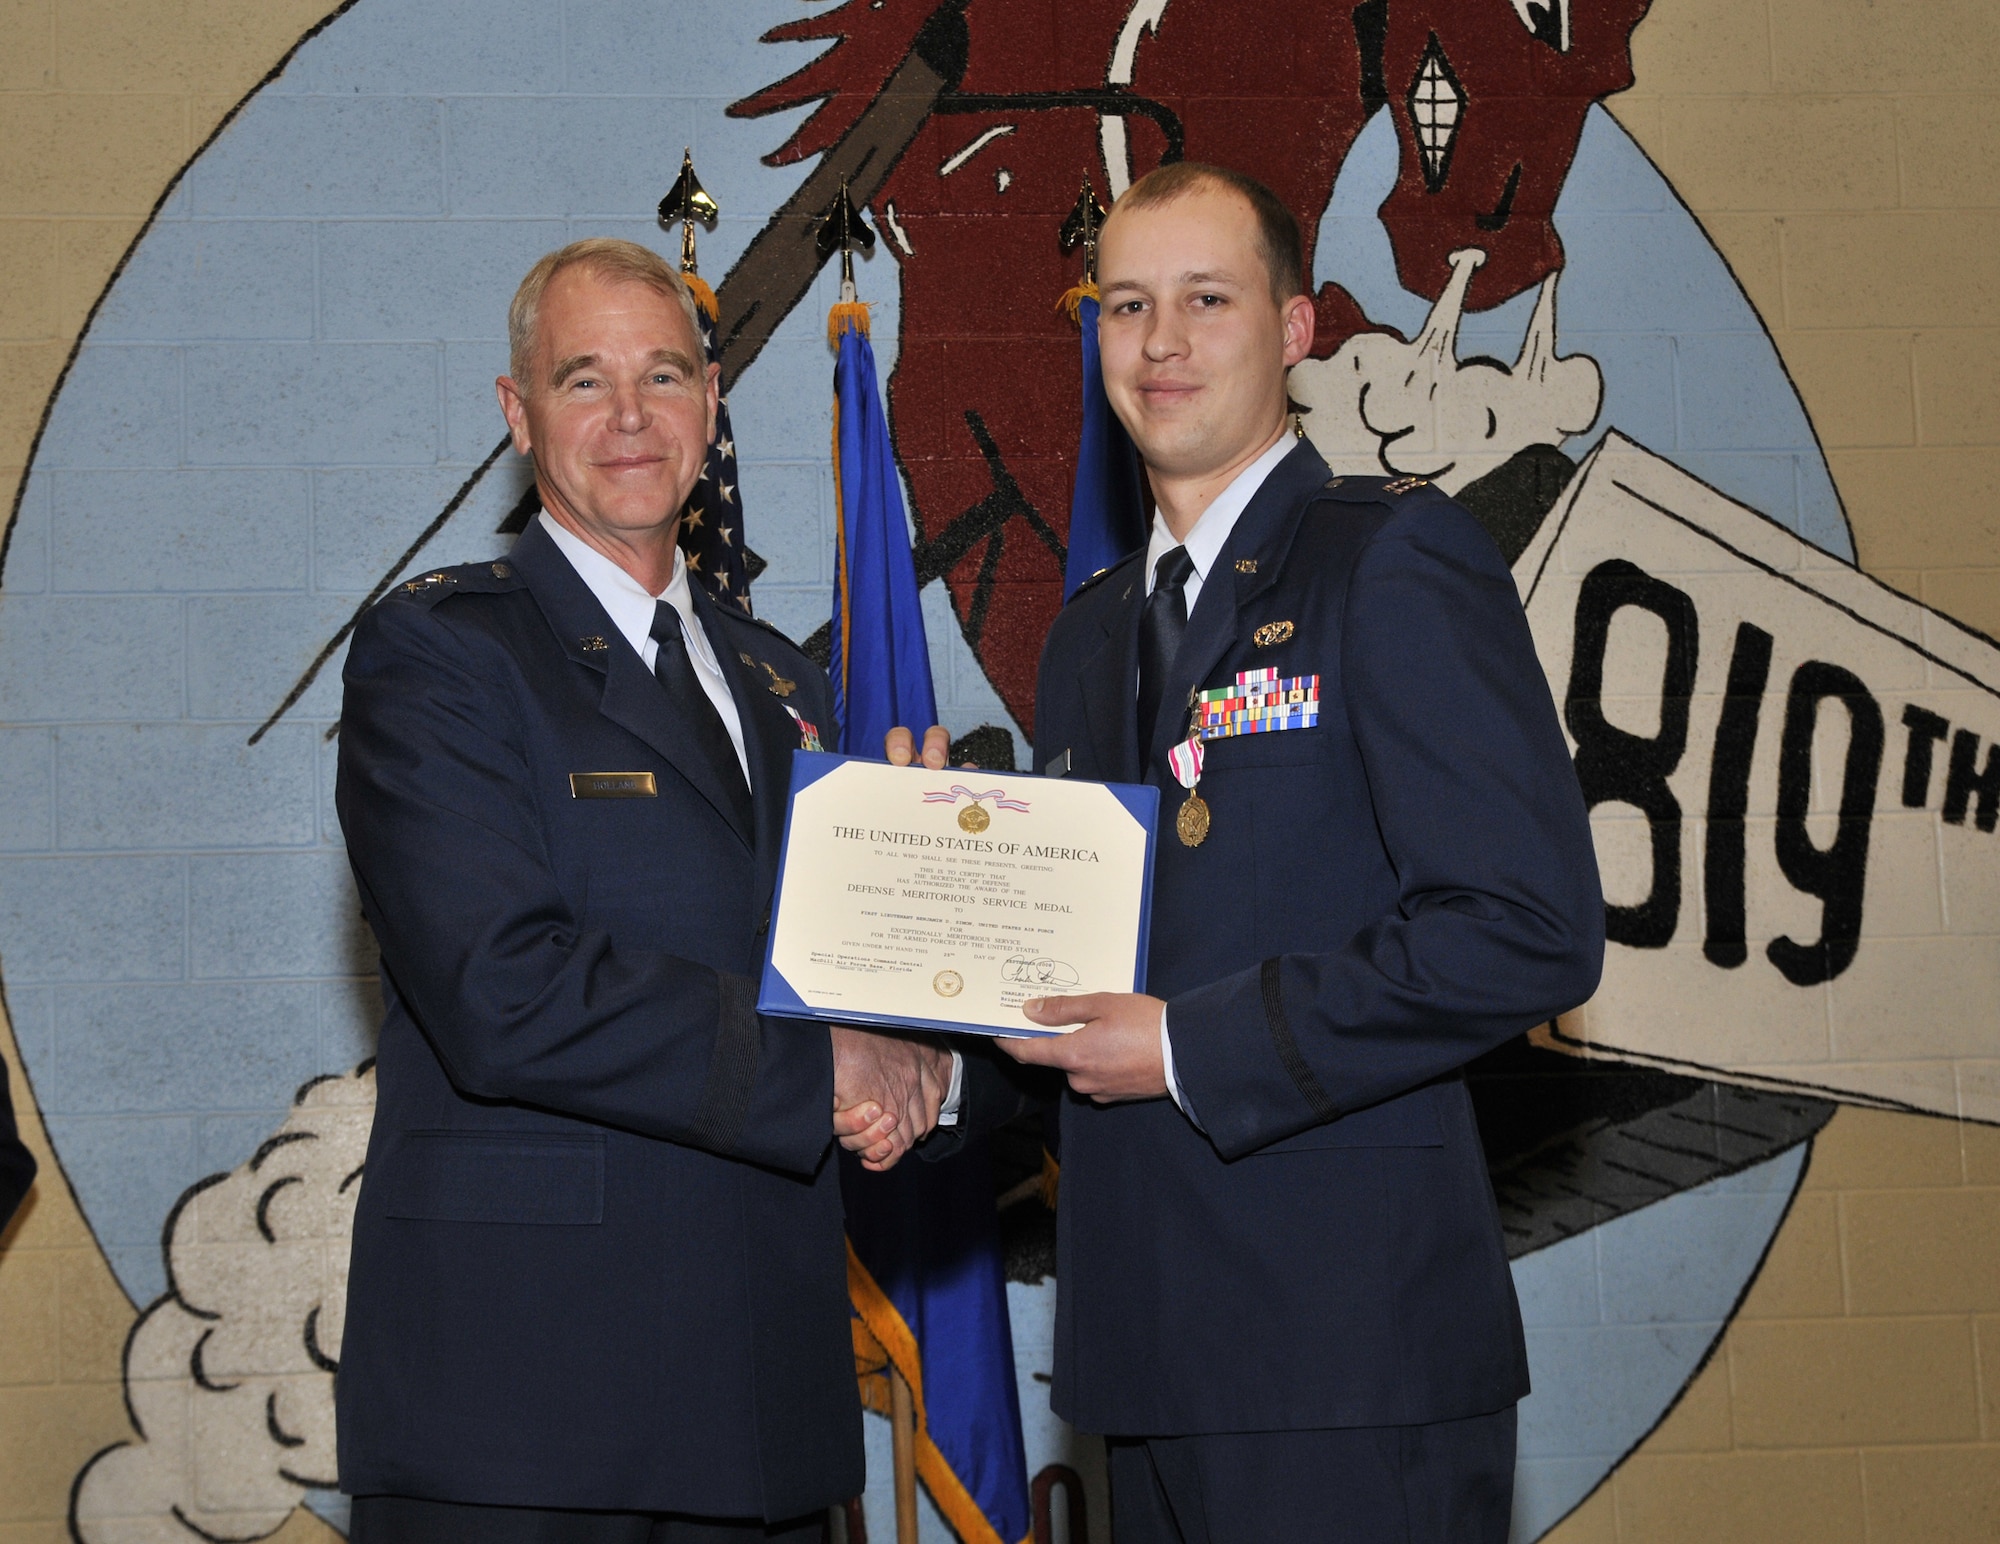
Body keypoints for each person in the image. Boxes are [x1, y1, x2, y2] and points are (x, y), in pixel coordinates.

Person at [972, 163, 1603, 1540]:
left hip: (1348, 1353)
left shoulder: (1391, 560)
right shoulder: (1085, 641)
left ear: (1298, 330)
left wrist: (1192, 1048)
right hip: (1141, 1353)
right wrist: (932, 995)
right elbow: (1092, 973)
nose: (1163, 341)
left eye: (1208, 298)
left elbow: (1526, 926)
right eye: (1126, 305)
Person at [335, 238, 953, 1543]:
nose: (629, 416)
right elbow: (503, 988)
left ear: (712, 404)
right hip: (528, 1418)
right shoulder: (437, 655)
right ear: (518, 415)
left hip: (768, 1414)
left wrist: (935, 1006)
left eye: (663, 374)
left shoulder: (794, 685)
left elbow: (837, 980)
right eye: (582, 379)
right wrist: (828, 1065)